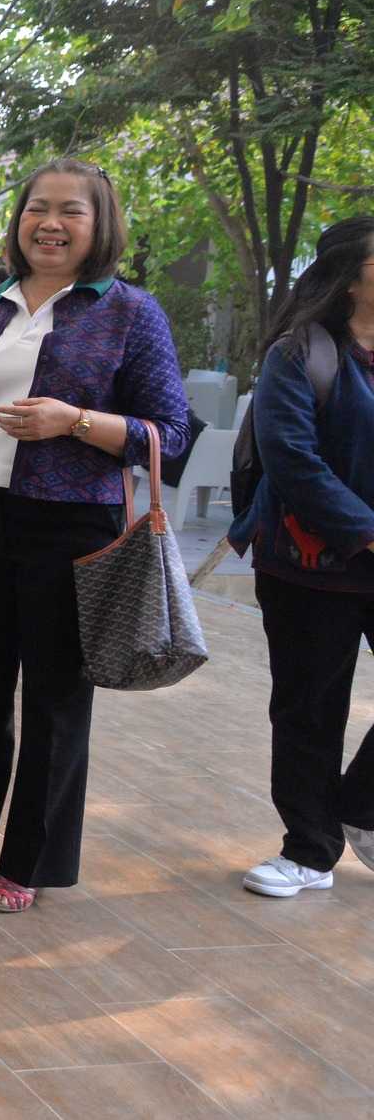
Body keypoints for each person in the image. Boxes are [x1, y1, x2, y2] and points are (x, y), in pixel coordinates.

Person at [0, 158, 188, 915]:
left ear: (101, 226)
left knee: (58, 698)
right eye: (37, 208)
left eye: (72, 210)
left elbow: (171, 431)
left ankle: (28, 858)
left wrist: (75, 421)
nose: (50, 223)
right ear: (18, 220)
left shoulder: (129, 312)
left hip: (72, 524)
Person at [233, 216, 374, 897]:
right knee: (311, 708)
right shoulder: (298, 353)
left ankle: (359, 804)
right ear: (352, 275)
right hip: (309, 565)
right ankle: (309, 850)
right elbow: (293, 461)